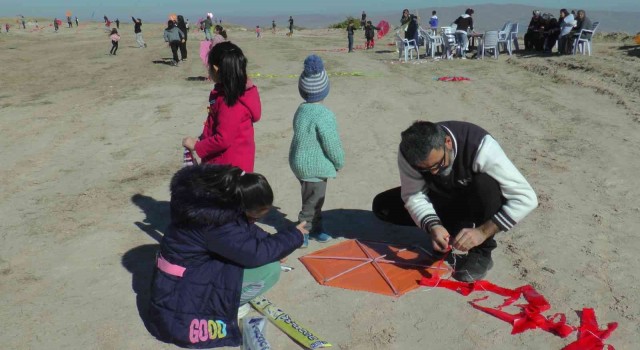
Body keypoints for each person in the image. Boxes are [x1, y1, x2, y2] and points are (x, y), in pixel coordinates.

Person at [147, 164, 306, 348]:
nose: (255, 221)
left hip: (182, 275)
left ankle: (230, 296)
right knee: (269, 270)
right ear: (243, 207)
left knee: (266, 256)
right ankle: (233, 304)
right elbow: (254, 254)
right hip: (183, 292)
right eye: (255, 216)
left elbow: (246, 230)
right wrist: (294, 236)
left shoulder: (214, 202)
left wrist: (275, 245)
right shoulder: (216, 224)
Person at [372, 121, 537, 282]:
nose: (435, 172)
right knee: (383, 207)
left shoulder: (480, 146)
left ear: (448, 143)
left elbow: (527, 198)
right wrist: (433, 226)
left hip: (476, 199)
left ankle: (481, 252)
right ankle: (450, 231)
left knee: (487, 184)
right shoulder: (409, 153)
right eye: (425, 169)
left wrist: (482, 232)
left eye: (438, 164)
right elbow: (413, 195)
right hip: (443, 196)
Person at [290, 55, 345, 245]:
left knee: (314, 198)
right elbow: (332, 143)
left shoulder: (301, 109)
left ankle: (316, 228)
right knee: (313, 201)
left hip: (299, 163)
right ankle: (302, 232)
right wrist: (339, 161)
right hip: (313, 166)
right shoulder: (323, 115)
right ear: (325, 90)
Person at [182, 42, 262, 173]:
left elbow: (223, 139)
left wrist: (196, 146)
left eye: (208, 68)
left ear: (216, 69)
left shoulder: (230, 101)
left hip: (227, 170)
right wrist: (203, 138)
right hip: (234, 165)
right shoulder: (233, 91)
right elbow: (219, 126)